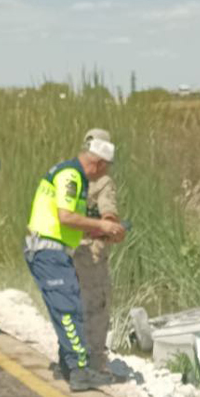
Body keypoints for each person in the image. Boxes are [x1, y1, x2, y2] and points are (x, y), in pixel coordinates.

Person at [24, 139, 126, 391]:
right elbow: (66, 217)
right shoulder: (72, 175)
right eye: (105, 170)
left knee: (66, 307)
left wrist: (98, 232)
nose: (104, 175)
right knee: (69, 308)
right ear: (98, 163)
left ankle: (68, 366)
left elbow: (69, 223)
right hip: (48, 251)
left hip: (51, 249)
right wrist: (102, 226)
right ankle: (80, 371)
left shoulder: (70, 172)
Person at [71, 128, 124, 373]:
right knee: (97, 305)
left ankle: (71, 355)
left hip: (65, 248)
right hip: (91, 251)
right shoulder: (103, 181)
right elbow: (108, 214)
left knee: (72, 303)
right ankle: (95, 361)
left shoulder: (69, 174)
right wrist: (112, 228)